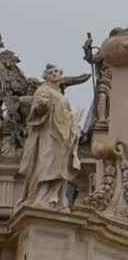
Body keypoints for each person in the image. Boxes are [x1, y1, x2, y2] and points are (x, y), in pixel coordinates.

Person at [17, 65, 81, 209]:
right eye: (50, 73)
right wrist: (41, 106)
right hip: (49, 134)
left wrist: (74, 127)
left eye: (56, 72)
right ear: (45, 76)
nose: (54, 74)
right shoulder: (43, 90)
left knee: (60, 165)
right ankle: (41, 196)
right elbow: (36, 109)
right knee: (46, 163)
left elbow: (68, 114)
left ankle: (55, 196)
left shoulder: (61, 95)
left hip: (64, 136)